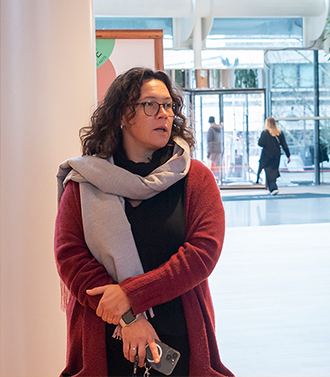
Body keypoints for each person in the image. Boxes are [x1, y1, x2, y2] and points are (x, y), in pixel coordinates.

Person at [54, 67, 233, 377]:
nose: (163, 114)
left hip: (179, 337)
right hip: (107, 337)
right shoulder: (84, 181)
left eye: (168, 105)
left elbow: (202, 253)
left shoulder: (194, 178)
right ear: (123, 113)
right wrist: (129, 318)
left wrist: (132, 295)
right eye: (151, 104)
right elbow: (70, 256)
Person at [257, 117, 291, 195]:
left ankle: (273, 188)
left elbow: (260, 143)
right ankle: (272, 188)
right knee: (274, 171)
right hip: (276, 155)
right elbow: (284, 145)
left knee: (268, 171)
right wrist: (288, 155)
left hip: (267, 156)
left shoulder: (265, 133)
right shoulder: (279, 133)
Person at [207, 116, 223, 181]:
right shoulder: (219, 129)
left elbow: (210, 142)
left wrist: (208, 152)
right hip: (219, 150)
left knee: (209, 165)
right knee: (218, 166)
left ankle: (209, 179)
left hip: (212, 150)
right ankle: (219, 179)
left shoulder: (211, 129)